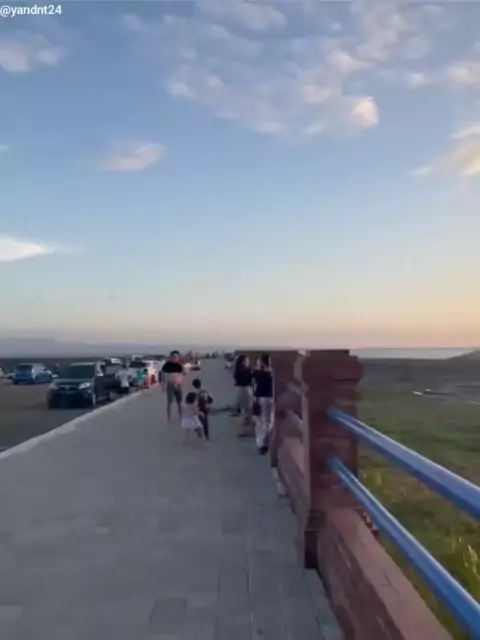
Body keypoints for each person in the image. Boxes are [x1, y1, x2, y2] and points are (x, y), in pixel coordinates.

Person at [252, 353, 274, 455]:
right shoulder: (271, 375)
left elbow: (255, 386)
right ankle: (265, 442)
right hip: (269, 398)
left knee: (260, 422)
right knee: (268, 422)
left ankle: (261, 443)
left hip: (259, 398)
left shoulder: (258, 374)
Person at [161, 350, 186, 421]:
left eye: (176, 357)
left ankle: (181, 417)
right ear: (171, 357)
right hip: (170, 385)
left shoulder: (180, 365)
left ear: (178, 357)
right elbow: (162, 374)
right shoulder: (167, 365)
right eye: (173, 356)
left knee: (180, 403)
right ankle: (169, 418)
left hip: (178, 386)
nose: (175, 358)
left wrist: (180, 382)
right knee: (169, 402)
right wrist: (163, 384)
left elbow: (183, 374)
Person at [233, 355, 254, 437]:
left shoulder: (237, 371)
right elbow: (249, 379)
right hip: (246, 390)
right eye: (247, 361)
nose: (248, 362)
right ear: (243, 362)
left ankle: (242, 431)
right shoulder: (246, 371)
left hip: (240, 390)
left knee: (243, 411)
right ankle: (248, 431)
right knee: (249, 410)